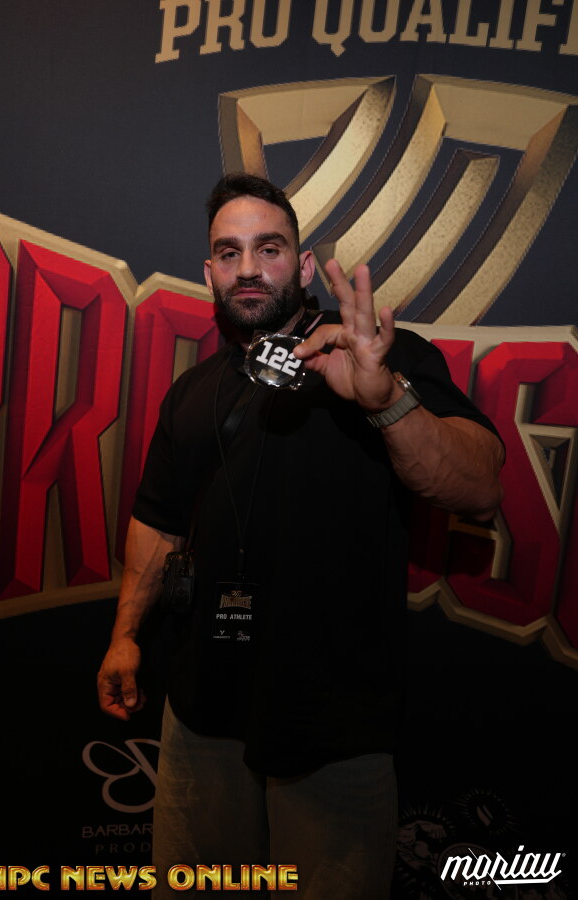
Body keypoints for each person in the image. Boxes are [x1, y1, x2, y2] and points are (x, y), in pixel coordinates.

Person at [97, 173, 504, 898]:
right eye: (230, 253)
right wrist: (127, 634)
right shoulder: (193, 392)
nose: (249, 269)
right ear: (210, 274)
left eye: (270, 248)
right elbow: (158, 521)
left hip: (335, 724)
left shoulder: (382, 357)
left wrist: (386, 400)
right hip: (202, 713)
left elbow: (479, 487)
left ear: (305, 266)